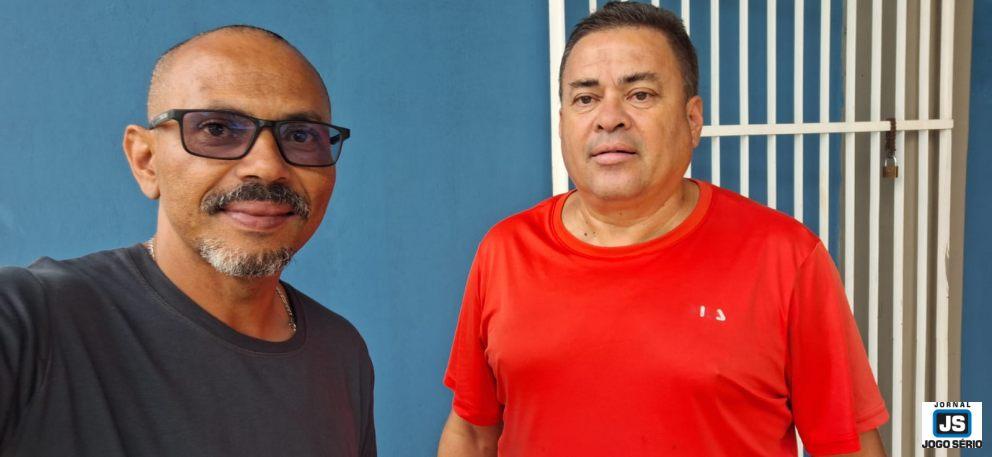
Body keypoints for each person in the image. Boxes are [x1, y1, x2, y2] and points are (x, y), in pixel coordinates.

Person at [438, 3, 887, 456]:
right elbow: (472, 434)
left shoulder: (784, 258)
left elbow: (846, 445)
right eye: (585, 98)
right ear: (561, 123)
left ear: (693, 120)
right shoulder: (505, 252)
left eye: (640, 95)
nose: (608, 118)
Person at [0, 25, 375, 456]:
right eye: (216, 129)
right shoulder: (29, 319)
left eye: (300, 136)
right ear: (146, 161)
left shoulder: (341, 352)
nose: (268, 167)